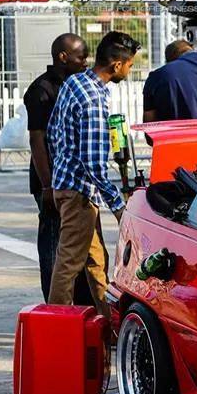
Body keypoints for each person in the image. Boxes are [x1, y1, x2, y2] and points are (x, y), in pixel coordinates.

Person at [47, 31, 139, 318]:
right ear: (116, 65)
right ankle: (55, 326)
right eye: (129, 65)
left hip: (69, 186)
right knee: (69, 264)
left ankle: (108, 325)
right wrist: (119, 206)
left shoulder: (75, 82)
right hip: (79, 193)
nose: (129, 70)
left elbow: (52, 132)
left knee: (96, 261)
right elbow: (94, 164)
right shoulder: (93, 100)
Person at [24, 33, 100, 304]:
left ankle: (84, 307)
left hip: (78, 182)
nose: (86, 62)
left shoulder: (78, 85)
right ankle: (55, 309)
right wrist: (48, 185)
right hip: (53, 183)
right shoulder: (41, 90)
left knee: (81, 249)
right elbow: (37, 140)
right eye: (81, 57)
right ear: (63, 57)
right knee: (55, 248)